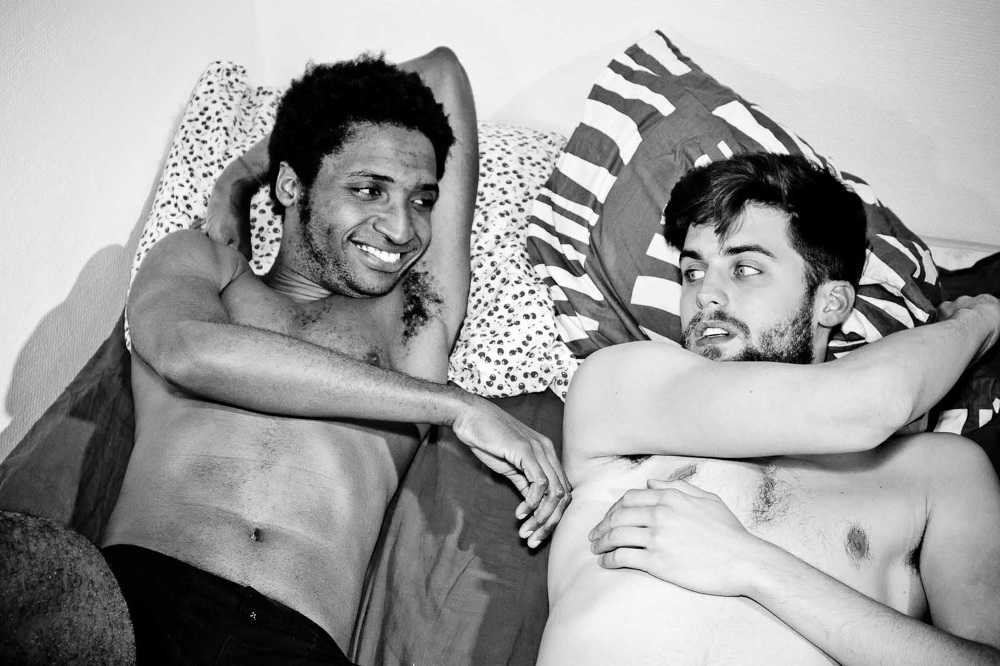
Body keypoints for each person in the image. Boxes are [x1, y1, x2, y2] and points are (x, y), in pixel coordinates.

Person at [0, 47, 569, 666]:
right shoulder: (201, 263)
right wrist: (457, 407)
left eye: (421, 200)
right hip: (134, 609)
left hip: (294, 643)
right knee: (25, 561)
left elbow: (443, 71)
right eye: (368, 189)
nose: (402, 229)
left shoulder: (414, 312)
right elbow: (189, 352)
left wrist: (251, 170)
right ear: (293, 184)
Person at [537, 153, 1000, 665]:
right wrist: (978, 323)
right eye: (693, 272)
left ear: (831, 303)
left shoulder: (939, 472)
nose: (706, 295)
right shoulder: (622, 384)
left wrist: (751, 564)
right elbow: (872, 401)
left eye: (745, 268)